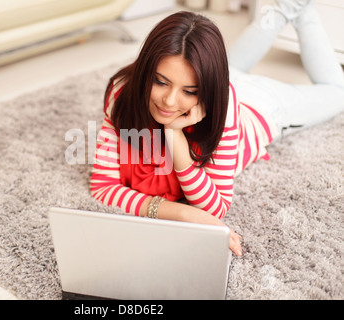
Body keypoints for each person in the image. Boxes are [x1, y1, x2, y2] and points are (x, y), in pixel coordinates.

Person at [89, 0, 344, 257]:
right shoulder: (124, 92)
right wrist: (181, 212)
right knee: (229, 68)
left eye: (188, 91)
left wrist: (174, 135)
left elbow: (215, 208)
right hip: (217, 80)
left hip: (263, 106)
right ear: (145, 71)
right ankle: (284, 7)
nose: (169, 101)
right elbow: (102, 186)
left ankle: (302, 7)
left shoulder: (225, 104)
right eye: (160, 81)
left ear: (204, 90)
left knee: (338, 92)